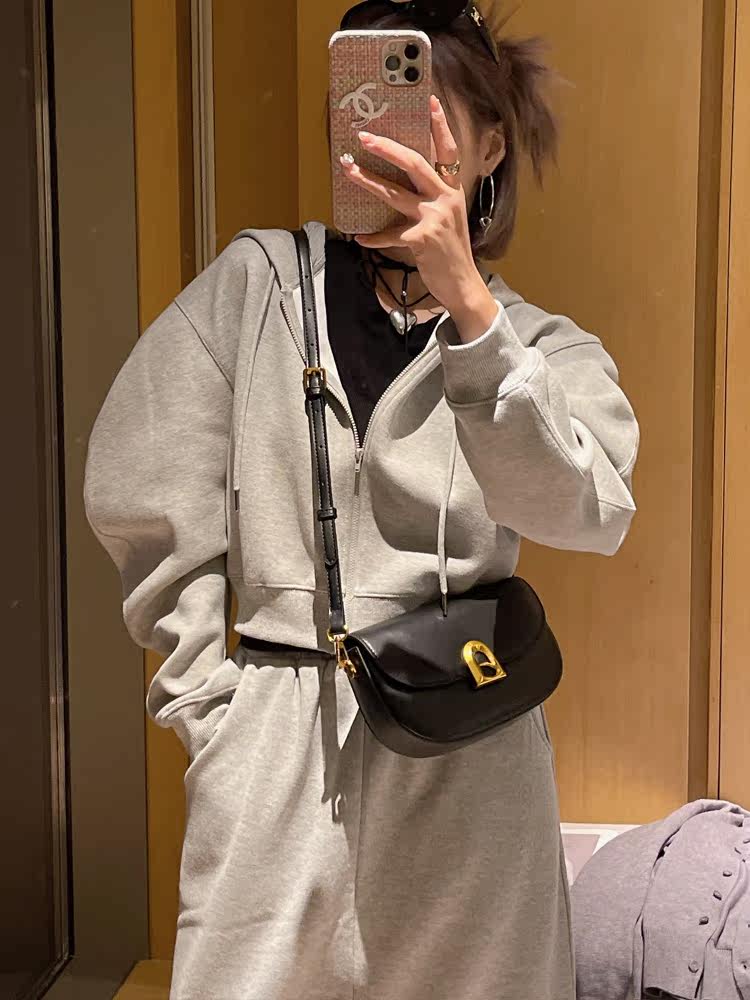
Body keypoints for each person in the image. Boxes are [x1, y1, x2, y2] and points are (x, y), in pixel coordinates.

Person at [83, 3, 639, 998]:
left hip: (473, 762)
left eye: (432, 112)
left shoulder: (538, 346)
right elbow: (144, 489)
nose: (399, 139)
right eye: (371, 111)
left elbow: (585, 513)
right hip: (276, 752)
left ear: (491, 143)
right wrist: (214, 710)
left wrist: (470, 309)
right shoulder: (254, 291)